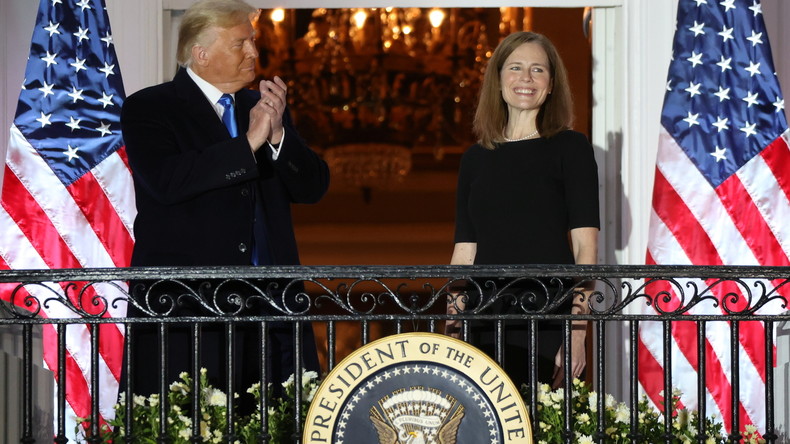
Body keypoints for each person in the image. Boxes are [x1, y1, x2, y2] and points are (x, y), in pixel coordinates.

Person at [121, 0, 329, 401]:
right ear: (201, 54)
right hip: (187, 311)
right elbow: (167, 182)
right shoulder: (150, 107)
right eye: (241, 44)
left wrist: (277, 136)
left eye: (253, 41)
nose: (254, 53)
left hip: (270, 311)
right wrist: (248, 144)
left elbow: (313, 188)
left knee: (274, 423)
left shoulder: (262, 108)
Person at [445, 31, 599, 390]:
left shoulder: (571, 148)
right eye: (515, 68)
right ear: (498, 80)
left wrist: (577, 334)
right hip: (483, 317)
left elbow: (586, 251)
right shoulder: (475, 158)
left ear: (550, 85)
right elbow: (464, 252)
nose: (526, 79)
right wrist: (451, 327)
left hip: (548, 315)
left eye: (537, 70)